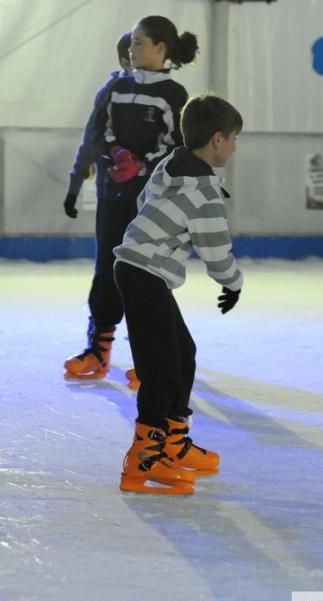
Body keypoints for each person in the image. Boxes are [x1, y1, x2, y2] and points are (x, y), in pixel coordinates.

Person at [114, 93, 244, 495]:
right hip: (143, 272)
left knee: (182, 354)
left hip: (140, 267)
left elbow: (143, 201)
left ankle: (173, 444)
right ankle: (144, 460)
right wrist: (233, 283)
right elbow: (215, 252)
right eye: (235, 138)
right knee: (161, 369)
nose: (236, 147)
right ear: (218, 140)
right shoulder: (204, 192)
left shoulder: (170, 164)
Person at [62, 16, 196, 387]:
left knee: (145, 276)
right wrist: (114, 154)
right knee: (107, 267)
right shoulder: (116, 87)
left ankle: (152, 358)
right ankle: (98, 348)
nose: (131, 49)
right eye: (132, 43)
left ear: (160, 49)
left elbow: (178, 146)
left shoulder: (174, 95)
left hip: (151, 202)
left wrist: (142, 164)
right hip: (112, 194)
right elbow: (97, 132)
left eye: (139, 43)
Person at [62, 32, 132, 220]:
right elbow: (91, 140)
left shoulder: (162, 92)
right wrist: (73, 190)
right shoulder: (110, 93)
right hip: (113, 189)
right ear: (125, 61)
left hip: (146, 189)